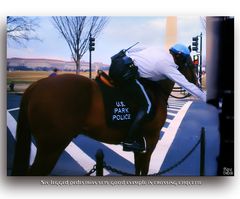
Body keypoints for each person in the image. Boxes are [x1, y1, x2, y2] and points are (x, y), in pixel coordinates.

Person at [109, 43, 206, 153]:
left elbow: (137, 48)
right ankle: (129, 140)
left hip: (118, 63)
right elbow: (187, 85)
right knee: (147, 105)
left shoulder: (159, 50)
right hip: (125, 72)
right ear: (180, 57)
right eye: (184, 60)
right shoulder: (168, 66)